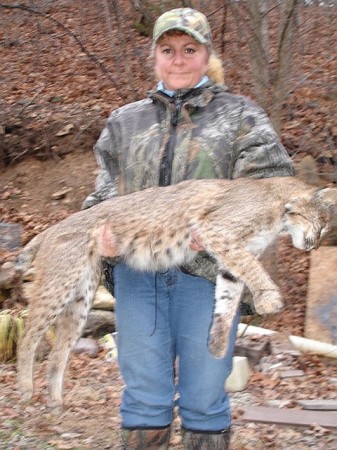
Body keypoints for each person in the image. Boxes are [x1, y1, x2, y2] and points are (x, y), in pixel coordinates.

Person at [82, 7, 294, 449]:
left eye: (189, 50)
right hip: (137, 273)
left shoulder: (241, 117)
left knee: (204, 395)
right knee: (143, 398)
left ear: (206, 56)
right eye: (168, 50)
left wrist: (225, 228)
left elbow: (272, 189)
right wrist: (99, 233)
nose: (178, 60)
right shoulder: (125, 121)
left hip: (209, 277)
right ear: (154, 56)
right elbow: (103, 192)